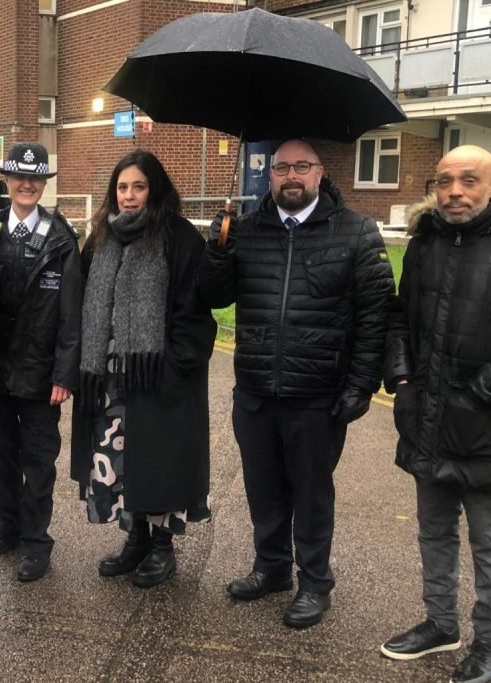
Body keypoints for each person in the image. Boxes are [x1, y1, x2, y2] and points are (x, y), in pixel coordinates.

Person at [198, 138, 394, 628]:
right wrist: (219, 251)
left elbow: (376, 317)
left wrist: (361, 386)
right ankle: (271, 568)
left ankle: (314, 583)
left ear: (320, 173)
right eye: (282, 167)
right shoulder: (247, 230)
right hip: (257, 390)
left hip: (318, 394)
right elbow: (214, 297)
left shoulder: (356, 233)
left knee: (310, 494)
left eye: (301, 167)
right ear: (270, 176)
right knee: (263, 490)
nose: (291, 176)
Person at [381, 145, 491, 683]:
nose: (455, 191)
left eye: (469, 181)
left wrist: (479, 394)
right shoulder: (426, 242)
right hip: (426, 416)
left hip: (488, 427)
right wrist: (403, 380)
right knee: (433, 532)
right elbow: (398, 318)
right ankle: (441, 624)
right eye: (445, 180)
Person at [70, 149, 216, 590]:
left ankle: (161, 547)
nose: (129, 196)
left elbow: (196, 309)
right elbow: (83, 304)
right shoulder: (100, 239)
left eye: (138, 186)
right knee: (119, 461)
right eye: (122, 188)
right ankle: (134, 538)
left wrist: (173, 366)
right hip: (111, 377)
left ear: (155, 190)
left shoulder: (179, 237)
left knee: (160, 462)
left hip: (158, 375)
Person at [0, 142, 82, 582]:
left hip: (40, 374)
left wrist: (64, 373)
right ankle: (9, 530)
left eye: (35, 179)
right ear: (7, 180)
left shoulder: (61, 238)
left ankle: (37, 542)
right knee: (1, 455)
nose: (27, 184)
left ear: (43, 184)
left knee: (38, 460)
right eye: (19, 177)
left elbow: (72, 312)